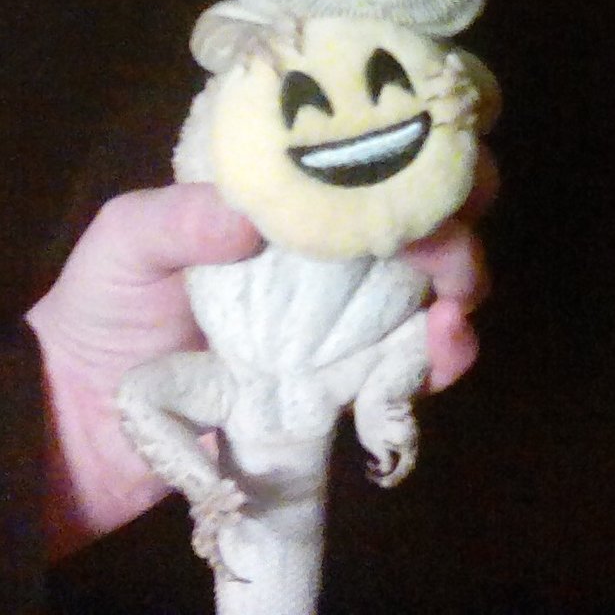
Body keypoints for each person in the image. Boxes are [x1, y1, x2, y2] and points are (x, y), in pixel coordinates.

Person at [7, 148, 496, 612]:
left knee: (428, 325)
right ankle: (208, 488)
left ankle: (370, 405)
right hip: (249, 381)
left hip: (314, 376)